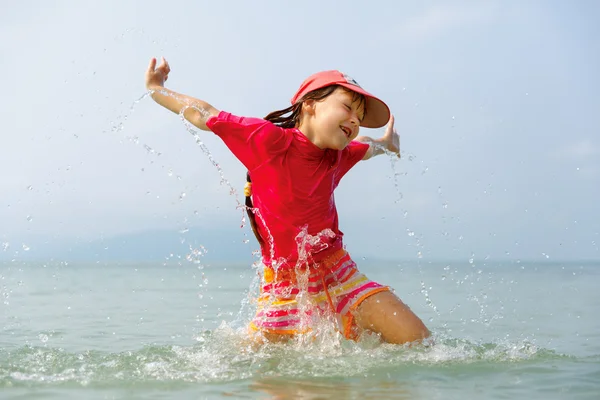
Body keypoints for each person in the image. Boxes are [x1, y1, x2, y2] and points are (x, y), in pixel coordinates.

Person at [145, 57, 430, 345]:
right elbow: (205, 113)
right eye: (347, 107)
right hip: (284, 289)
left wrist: (386, 145)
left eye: (359, 116)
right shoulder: (268, 141)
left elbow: (366, 147)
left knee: (418, 341)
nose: (355, 120)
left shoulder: (339, 155)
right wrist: (157, 89)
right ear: (309, 103)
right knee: (275, 377)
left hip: (340, 274)